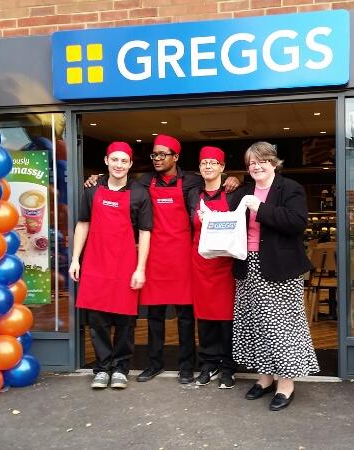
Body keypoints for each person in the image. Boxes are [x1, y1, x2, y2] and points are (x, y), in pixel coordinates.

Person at [86, 134, 239, 384]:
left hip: (183, 257)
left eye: (162, 154)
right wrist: (97, 178)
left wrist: (231, 179)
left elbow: (215, 183)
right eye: (154, 155)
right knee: (154, 316)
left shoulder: (191, 180)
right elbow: (117, 181)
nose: (157, 159)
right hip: (154, 256)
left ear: (175, 157)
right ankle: (154, 364)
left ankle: (187, 366)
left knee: (185, 317)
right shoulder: (144, 181)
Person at [232, 141, 319, 411]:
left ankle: (285, 384)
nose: (256, 166)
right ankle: (265, 378)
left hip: (279, 267)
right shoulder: (242, 191)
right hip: (248, 265)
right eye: (251, 163)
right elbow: (230, 220)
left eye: (261, 161)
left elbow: (296, 222)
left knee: (281, 327)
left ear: (273, 163)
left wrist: (259, 207)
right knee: (256, 325)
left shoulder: (290, 188)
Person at [69, 142, 152, 390]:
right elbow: (83, 224)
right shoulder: (92, 191)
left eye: (123, 161)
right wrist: (75, 259)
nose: (119, 165)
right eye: (114, 160)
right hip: (95, 263)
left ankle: (121, 368)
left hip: (125, 264)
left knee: (126, 320)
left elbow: (146, 232)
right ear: (106, 161)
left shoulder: (139, 194)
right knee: (98, 320)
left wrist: (140, 268)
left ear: (130, 164)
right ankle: (103, 368)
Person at [187, 146, 238, 389]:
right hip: (200, 264)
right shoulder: (192, 194)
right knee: (205, 317)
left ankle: (228, 367)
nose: (208, 166)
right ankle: (208, 364)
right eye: (204, 163)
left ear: (222, 167)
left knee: (226, 318)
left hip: (226, 266)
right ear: (199, 168)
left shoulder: (234, 193)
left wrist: (237, 180)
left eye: (213, 162)